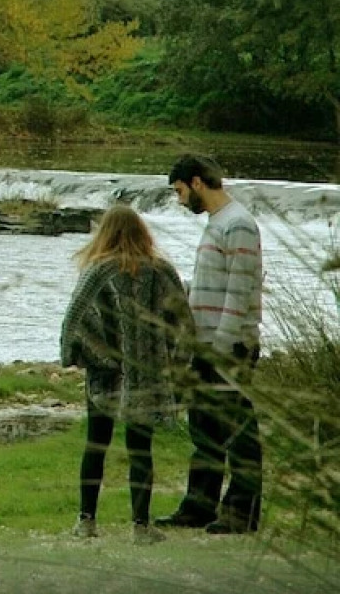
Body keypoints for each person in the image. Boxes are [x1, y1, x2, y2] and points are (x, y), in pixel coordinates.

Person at [61, 204, 193, 543]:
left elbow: (75, 320)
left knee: (96, 443)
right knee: (140, 449)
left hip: (105, 373)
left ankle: (86, 522)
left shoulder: (97, 271)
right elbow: (183, 322)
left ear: (105, 232)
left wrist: (83, 356)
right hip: (148, 373)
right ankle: (140, 526)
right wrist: (176, 363)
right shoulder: (163, 271)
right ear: (142, 232)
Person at [156, 154, 264, 534]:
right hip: (205, 343)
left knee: (237, 431)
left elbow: (239, 290)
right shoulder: (218, 223)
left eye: (180, 191)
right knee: (204, 430)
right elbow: (213, 285)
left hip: (228, 346)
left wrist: (223, 344)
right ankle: (199, 507)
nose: (180, 200)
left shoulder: (238, 224)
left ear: (197, 182)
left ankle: (241, 513)